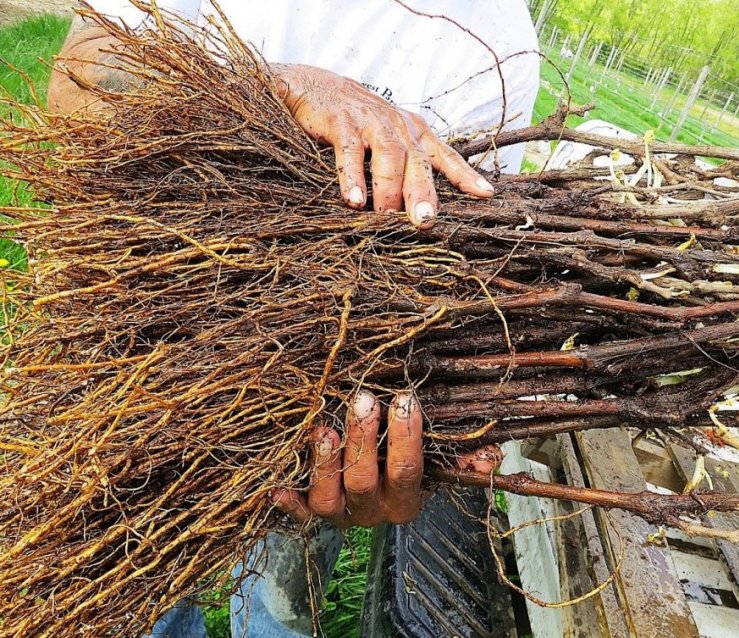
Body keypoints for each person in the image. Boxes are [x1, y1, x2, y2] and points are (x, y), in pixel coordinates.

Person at [49, 2, 540, 636]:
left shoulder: (499, 37)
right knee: (127, 582)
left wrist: (433, 439)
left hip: (316, 405)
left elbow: (462, 273)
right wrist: (270, 86)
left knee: (280, 607)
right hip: (137, 353)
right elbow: (77, 87)